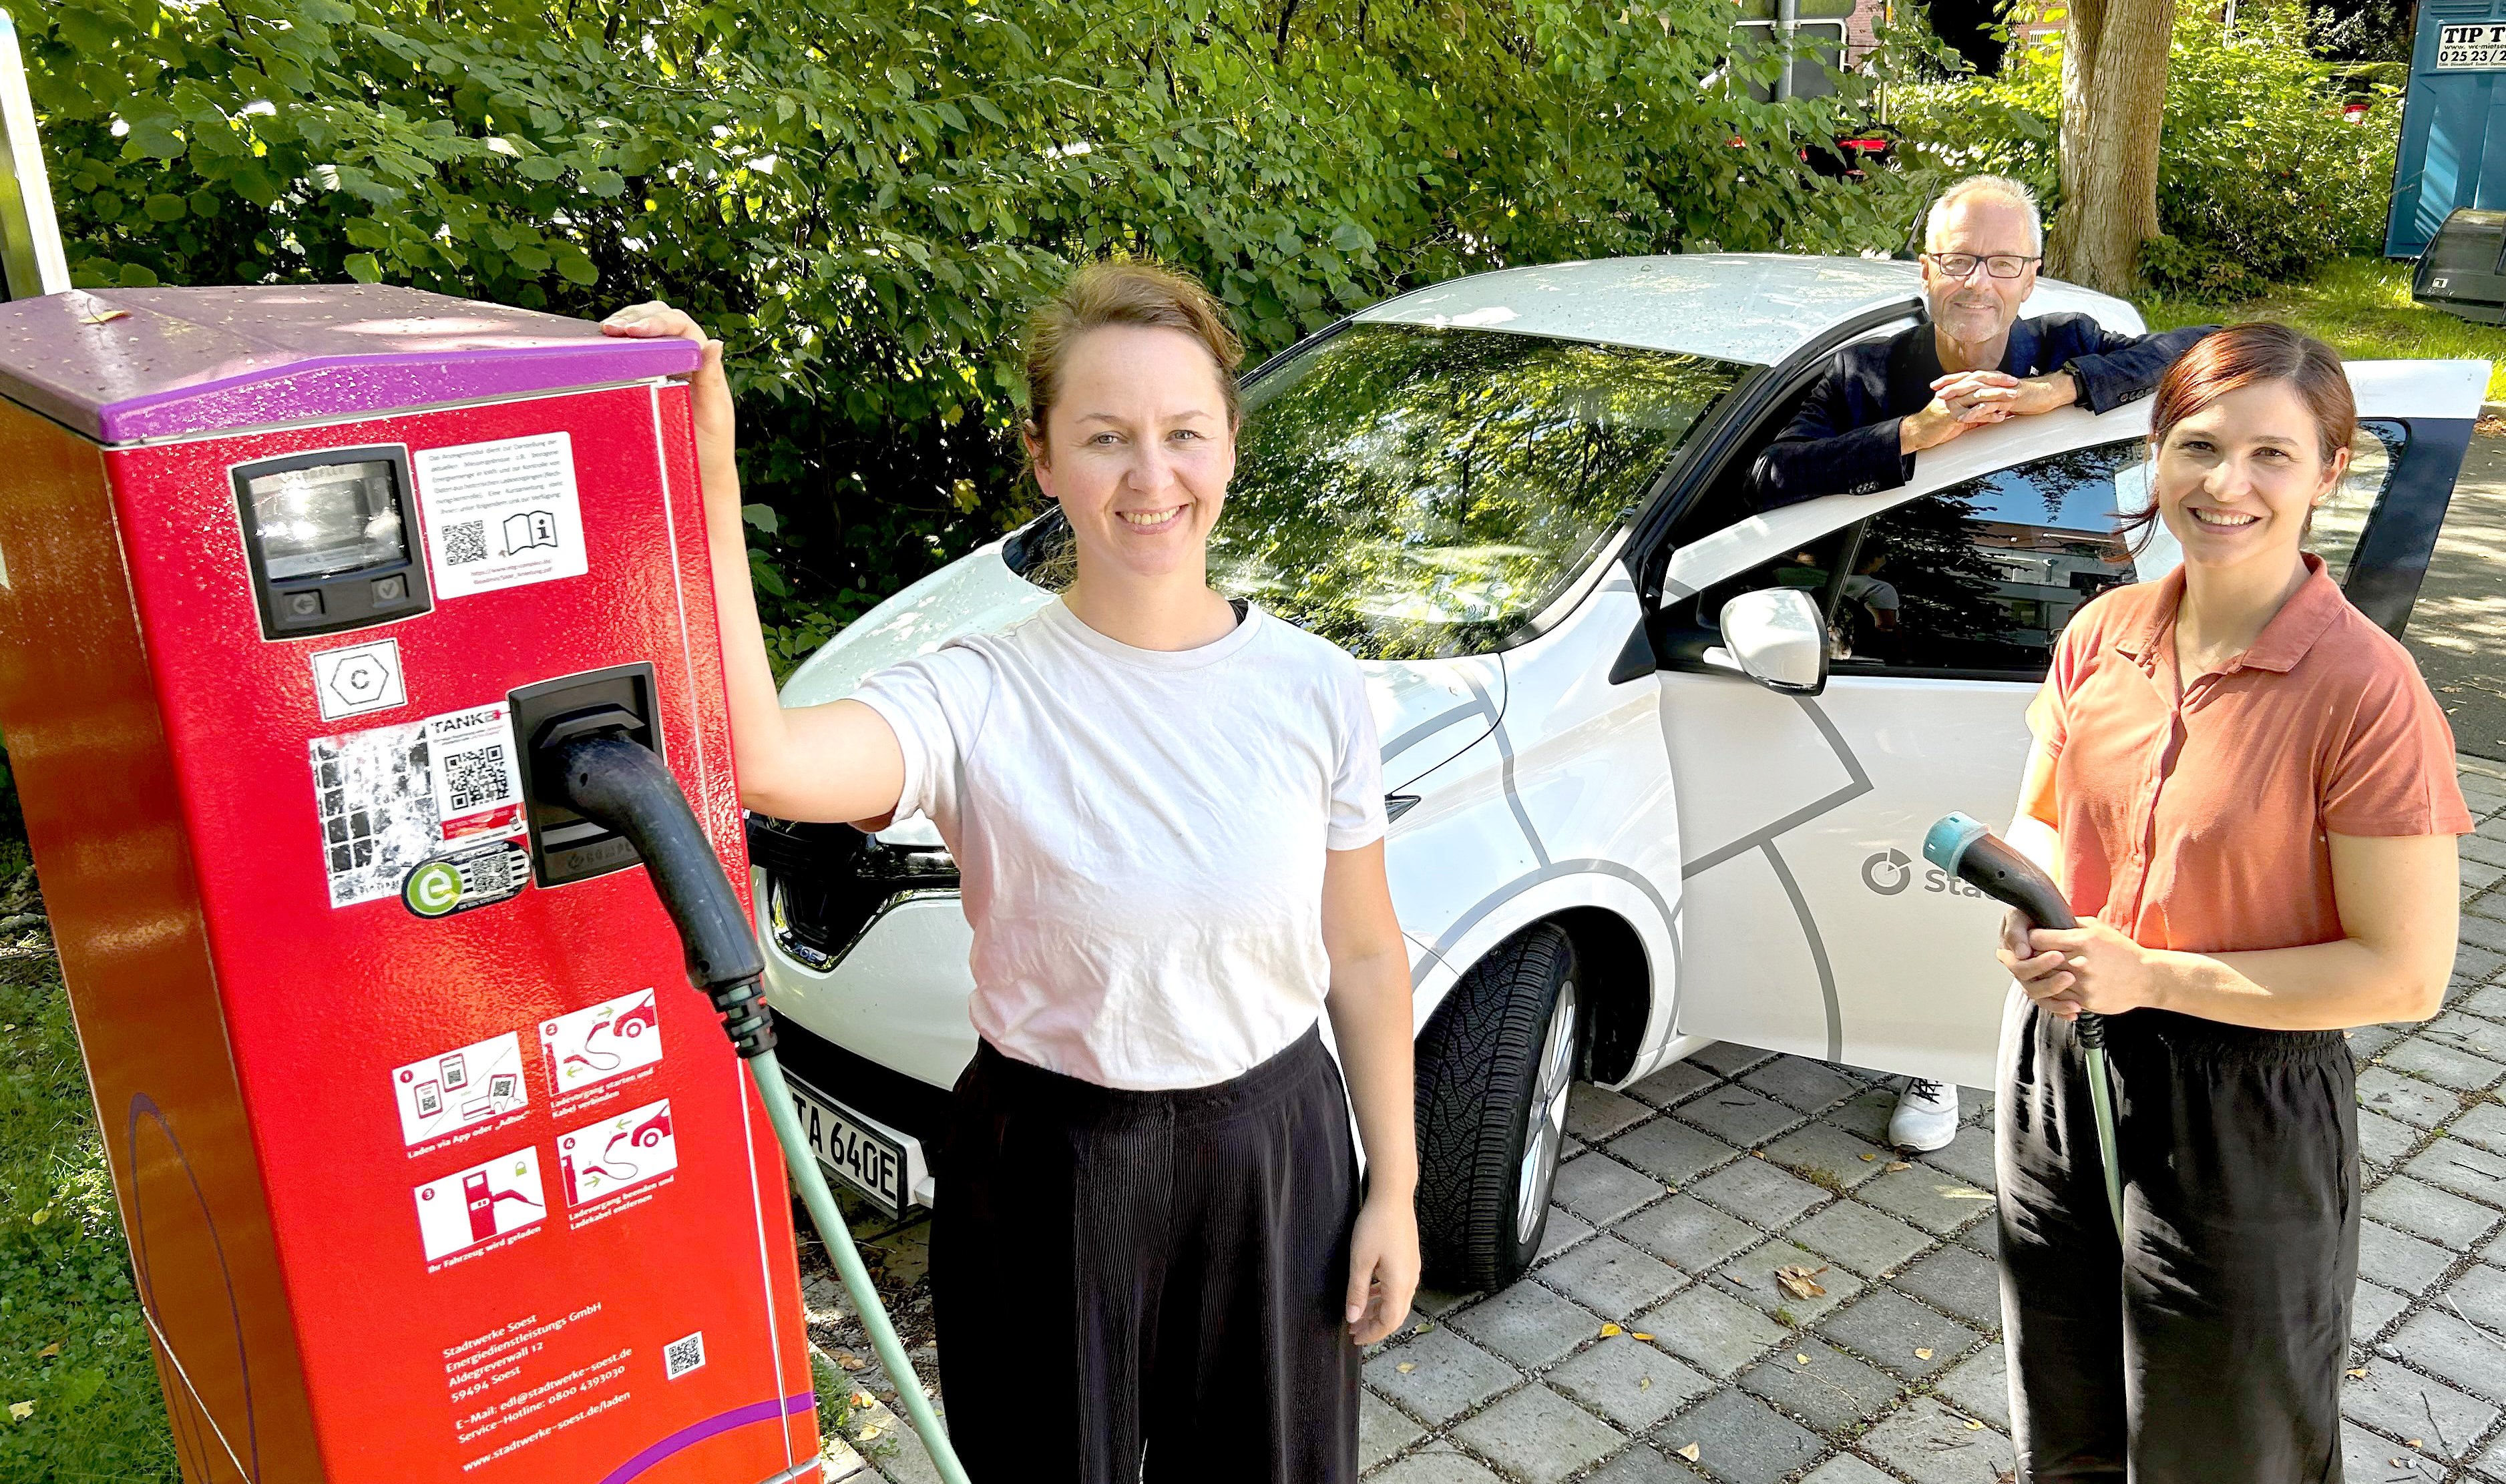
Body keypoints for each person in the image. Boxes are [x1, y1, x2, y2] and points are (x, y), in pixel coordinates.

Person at [602, 262, 1421, 1483]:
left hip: (1277, 1154)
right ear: (1043, 458)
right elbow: (763, 761)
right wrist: (705, 465)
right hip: (1050, 1165)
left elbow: (1360, 950)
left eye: (1182, 433)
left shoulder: (1317, 687)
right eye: (1105, 438)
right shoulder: (976, 690)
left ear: (1229, 446)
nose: (1150, 477)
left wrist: (1392, 1186)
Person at [1987, 322, 2468, 1480]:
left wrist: (2151, 974)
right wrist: (2025, 897)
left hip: (2241, 1096)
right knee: (2064, 1411)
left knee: (2225, 1443)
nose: (2225, 484)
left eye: (2270, 455)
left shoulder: (2365, 691)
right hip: (2056, 1062)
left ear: (2328, 472)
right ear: (2156, 453)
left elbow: (2404, 974)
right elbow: (2041, 818)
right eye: (2197, 446)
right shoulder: (2102, 632)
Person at [1751, 174, 2215, 1150]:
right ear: (1925, 270)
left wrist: (2058, 393)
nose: (1979, 283)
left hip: (2070, 629)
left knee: (2063, 854)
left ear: (2031, 275)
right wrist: (1912, 435)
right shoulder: (1866, 372)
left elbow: (2204, 351)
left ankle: (2080, 1046)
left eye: (2003, 263)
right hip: (1914, 638)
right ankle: (1930, 1049)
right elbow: (1772, 473)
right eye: (1960, 260)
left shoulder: (2068, 343)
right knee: (1933, 849)